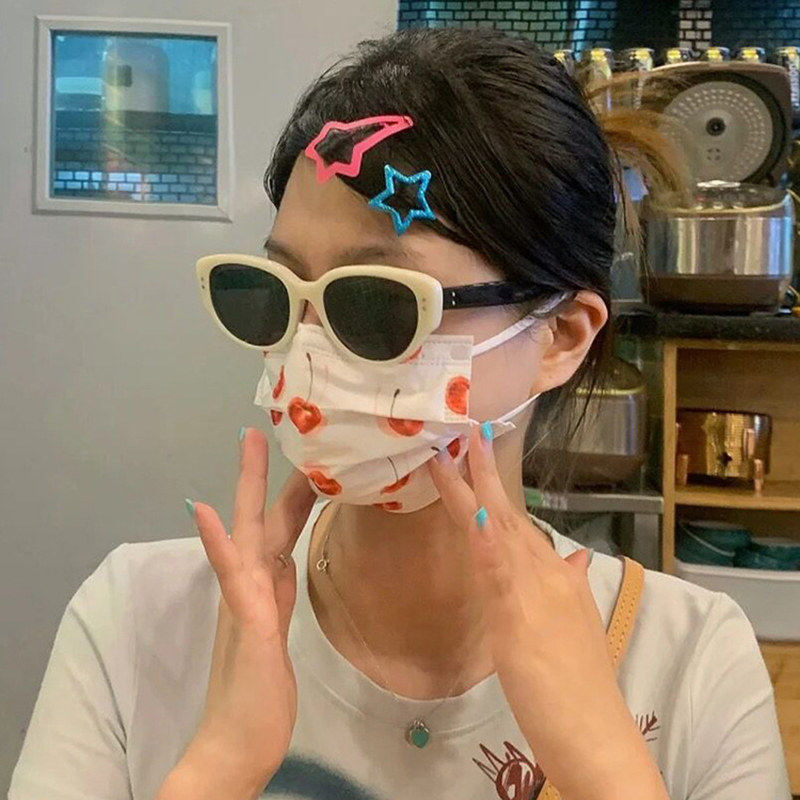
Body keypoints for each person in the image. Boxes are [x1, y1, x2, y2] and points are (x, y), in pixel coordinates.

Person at [9, 27, 792, 800]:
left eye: (376, 302)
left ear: (560, 336)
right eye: (272, 294)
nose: (308, 352)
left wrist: (605, 770)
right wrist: (218, 767)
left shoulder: (692, 665)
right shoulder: (135, 621)